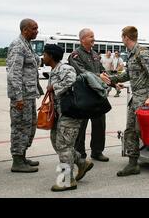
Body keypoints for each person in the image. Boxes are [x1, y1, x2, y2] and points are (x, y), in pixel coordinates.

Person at [100, 26, 149, 177]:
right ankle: (133, 164)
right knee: (130, 130)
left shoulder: (143, 53)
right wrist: (112, 79)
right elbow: (129, 75)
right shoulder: (132, 54)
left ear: (126, 37)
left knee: (142, 130)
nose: (122, 39)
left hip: (145, 98)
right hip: (136, 98)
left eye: (122, 37)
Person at [43, 44, 94, 192]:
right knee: (56, 142)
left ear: (51, 56)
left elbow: (72, 82)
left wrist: (55, 87)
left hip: (70, 113)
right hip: (59, 114)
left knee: (64, 146)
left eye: (45, 54)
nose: (43, 57)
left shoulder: (66, 68)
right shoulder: (53, 70)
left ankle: (67, 180)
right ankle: (81, 162)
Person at [6, 19, 44, 173]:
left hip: (28, 94)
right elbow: (13, 73)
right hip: (21, 96)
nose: (37, 31)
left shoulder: (27, 44)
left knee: (28, 126)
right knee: (20, 127)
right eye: (34, 29)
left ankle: (22, 156)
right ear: (25, 30)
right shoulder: (18, 46)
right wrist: (18, 97)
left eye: (37, 28)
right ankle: (17, 160)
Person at [68, 28, 109, 162]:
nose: (93, 39)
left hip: (97, 95)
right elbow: (82, 72)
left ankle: (97, 151)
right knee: (81, 126)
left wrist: (113, 83)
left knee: (99, 125)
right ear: (82, 39)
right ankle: (80, 154)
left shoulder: (96, 55)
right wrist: (99, 76)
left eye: (93, 36)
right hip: (84, 96)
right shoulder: (75, 55)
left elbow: (103, 72)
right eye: (91, 36)